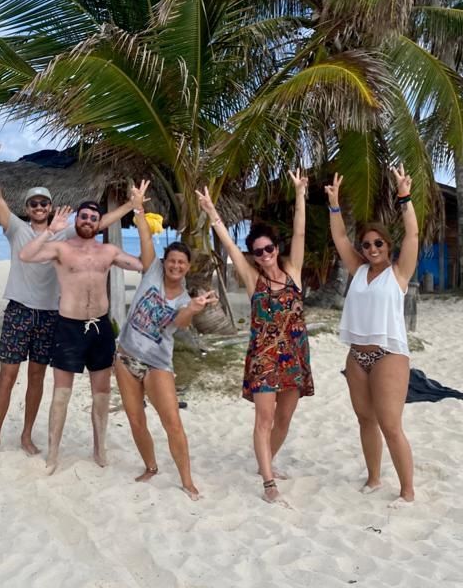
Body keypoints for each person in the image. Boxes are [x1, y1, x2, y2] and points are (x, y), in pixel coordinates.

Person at [0, 141, 132, 464]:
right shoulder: (16, 228)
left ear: (50, 207)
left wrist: (132, 205)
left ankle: (26, 435)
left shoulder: (63, 232)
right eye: (34, 203)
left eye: (44, 203)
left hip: (50, 315)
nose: (39, 206)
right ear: (27, 207)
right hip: (19, 309)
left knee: (37, 377)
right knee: (7, 376)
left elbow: (99, 223)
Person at [197, 171, 313, 505]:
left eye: (268, 248)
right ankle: (268, 481)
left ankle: (267, 462)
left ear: (276, 247)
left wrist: (300, 194)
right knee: (264, 419)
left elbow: (300, 232)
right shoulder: (253, 279)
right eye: (258, 251)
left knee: (284, 418)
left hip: (294, 356)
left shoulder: (293, 272)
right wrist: (211, 212)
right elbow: (229, 245)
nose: (264, 255)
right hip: (264, 357)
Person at [19, 197, 145, 475]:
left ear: (100, 224)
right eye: (84, 217)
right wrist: (50, 231)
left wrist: (140, 218)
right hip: (69, 327)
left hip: (100, 327)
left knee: (101, 393)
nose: (88, 221)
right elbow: (25, 255)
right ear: (76, 220)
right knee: (61, 394)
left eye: (93, 218)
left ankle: (100, 449)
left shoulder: (109, 251)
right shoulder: (61, 248)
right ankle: (53, 452)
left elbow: (140, 264)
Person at [114, 181, 217, 501]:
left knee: (172, 422)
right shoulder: (152, 272)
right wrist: (138, 207)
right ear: (165, 261)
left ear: (187, 268)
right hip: (125, 356)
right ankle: (151, 466)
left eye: (181, 263)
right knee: (135, 418)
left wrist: (194, 308)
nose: (175, 265)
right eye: (172, 260)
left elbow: (179, 322)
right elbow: (146, 237)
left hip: (157, 363)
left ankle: (187, 480)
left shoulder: (186, 298)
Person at [326, 165, 418, 507]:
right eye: (366, 244)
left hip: (388, 355)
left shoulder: (398, 273)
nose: (372, 248)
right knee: (365, 419)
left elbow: (413, 236)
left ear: (387, 245)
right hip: (356, 356)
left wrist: (404, 197)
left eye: (378, 243)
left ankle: (407, 491)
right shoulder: (359, 269)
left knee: (390, 425)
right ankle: (374, 478)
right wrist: (334, 205)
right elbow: (340, 239)